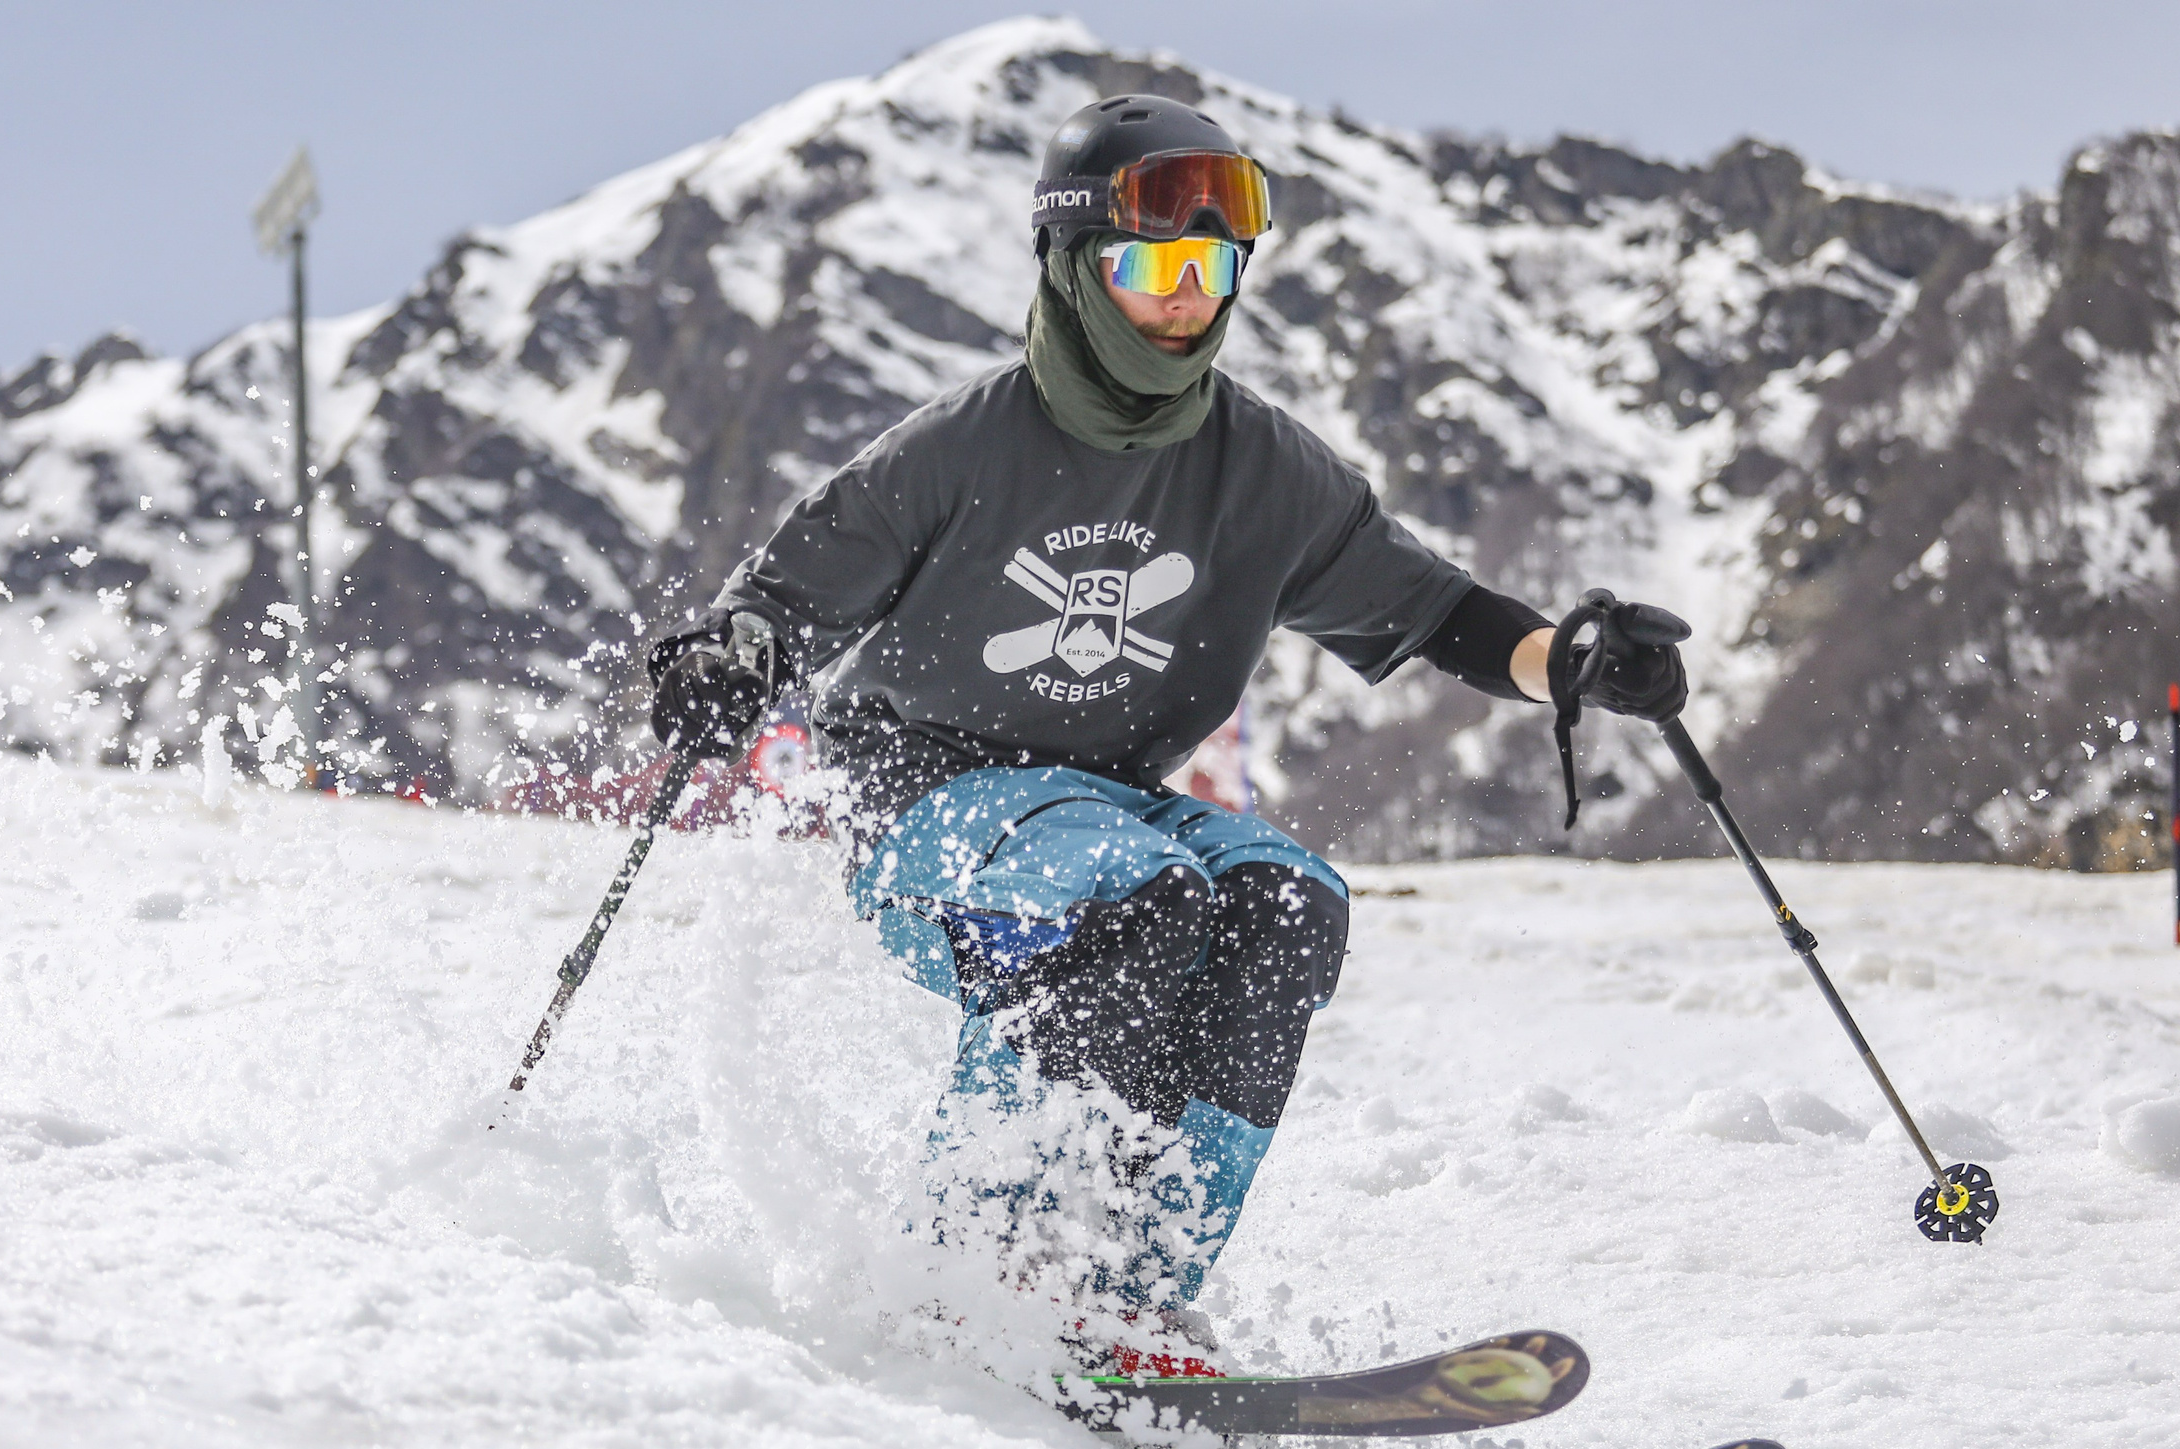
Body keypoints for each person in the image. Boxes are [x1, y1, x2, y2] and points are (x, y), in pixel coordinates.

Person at [647, 93, 1686, 1371]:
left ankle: (1124, 1288)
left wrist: (1571, 663)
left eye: (1215, 264)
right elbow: (788, 598)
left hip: (1100, 799)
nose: (1191, 296)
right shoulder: (967, 443)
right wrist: (729, 660)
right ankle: (973, 1266)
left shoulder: (1258, 464)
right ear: (1077, 268)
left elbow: (1434, 611)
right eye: (1156, 266)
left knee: (1283, 901)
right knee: (1129, 896)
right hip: (922, 798)